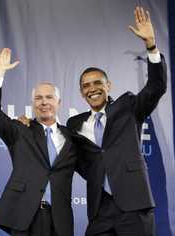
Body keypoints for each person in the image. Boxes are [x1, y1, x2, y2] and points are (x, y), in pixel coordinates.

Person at [66, 6, 167, 236]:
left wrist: (151, 45)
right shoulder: (74, 124)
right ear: (82, 93)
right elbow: (80, 162)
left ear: (108, 86)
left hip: (135, 206)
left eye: (97, 83)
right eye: (86, 86)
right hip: (100, 210)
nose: (92, 89)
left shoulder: (128, 106)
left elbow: (156, 86)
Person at [0, 48, 77, 236]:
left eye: (49, 97)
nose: (44, 102)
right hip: (25, 217)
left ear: (59, 102)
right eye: (38, 98)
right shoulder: (20, 130)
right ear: (32, 103)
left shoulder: (72, 138)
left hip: (60, 220)